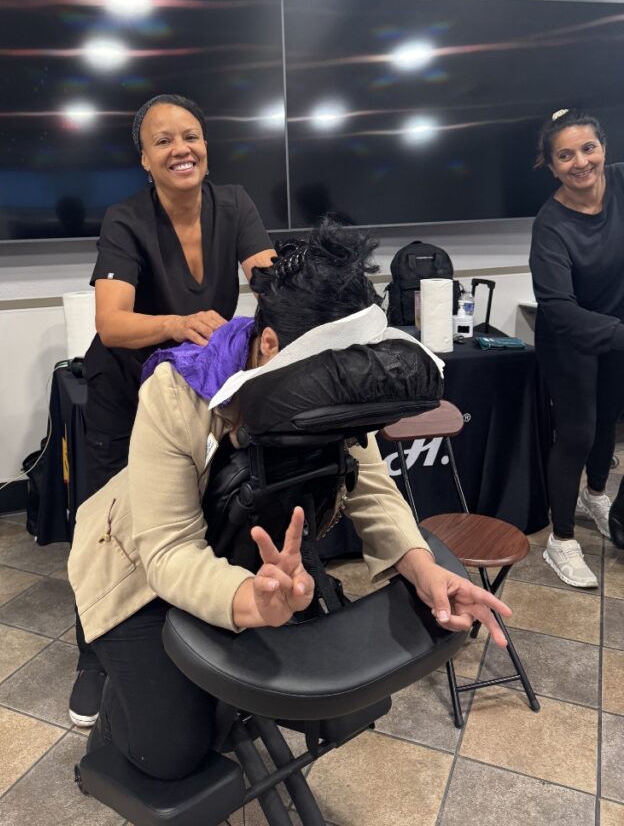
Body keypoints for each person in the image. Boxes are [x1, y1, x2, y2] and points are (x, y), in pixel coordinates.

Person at [68, 220, 513, 782]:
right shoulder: (178, 391)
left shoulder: (334, 377)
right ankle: (114, 703)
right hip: (135, 566)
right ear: (271, 345)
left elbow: (370, 484)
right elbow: (167, 549)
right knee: (173, 752)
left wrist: (421, 567)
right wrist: (248, 603)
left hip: (248, 551)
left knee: (293, 700)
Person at [70, 94, 276, 726]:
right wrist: (178, 322)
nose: (180, 148)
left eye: (191, 135)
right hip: (120, 392)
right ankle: (91, 658)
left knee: (183, 522)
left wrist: (287, 315)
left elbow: (270, 280)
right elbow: (112, 325)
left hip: (185, 395)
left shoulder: (234, 203)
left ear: (206, 146)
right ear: (144, 158)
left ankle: (184, 634)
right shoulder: (126, 219)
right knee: (106, 529)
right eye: (164, 141)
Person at [530, 108, 624, 586]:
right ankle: (561, 541)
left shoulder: (622, 184)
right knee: (578, 432)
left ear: (604, 147)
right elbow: (561, 312)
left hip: (616, 330)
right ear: (552, 166)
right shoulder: (550, 225)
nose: (580, 162)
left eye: (589, 148)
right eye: (565, 156)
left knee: (607, 417)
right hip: (568, 339)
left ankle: (595, 493)